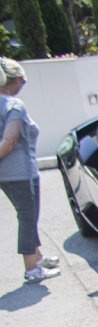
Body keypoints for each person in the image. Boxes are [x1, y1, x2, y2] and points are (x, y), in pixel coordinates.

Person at [0, 59, 57, 284]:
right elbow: (10, 139)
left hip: (5, 175)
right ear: (13, 81)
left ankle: (38, 257)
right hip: (21, 173)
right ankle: (31, 269)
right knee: (27, 217)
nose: (22, 84)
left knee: (27, 216)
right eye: (20, 80)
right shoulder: (14, 105)